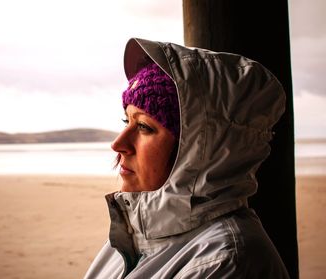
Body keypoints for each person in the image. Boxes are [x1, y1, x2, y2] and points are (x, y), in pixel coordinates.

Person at [84, 38, 290, 278]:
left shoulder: (225, 261)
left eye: (143, 127)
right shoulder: (132, 237)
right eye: (126, 121)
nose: (118, 144)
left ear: (198, 148)